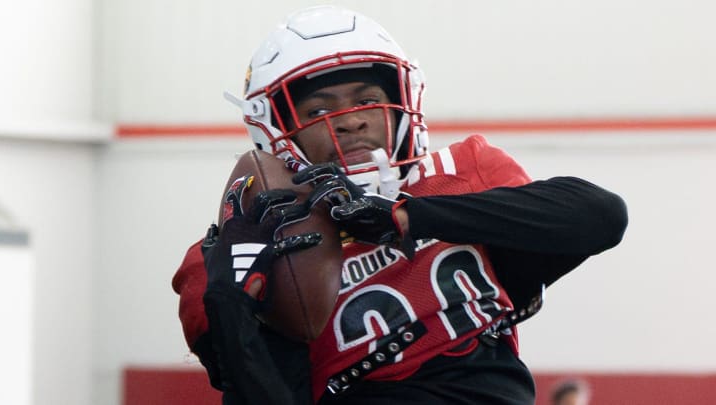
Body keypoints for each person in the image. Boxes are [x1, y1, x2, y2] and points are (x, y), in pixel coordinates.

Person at [172, 5, 628, 405]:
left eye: (368, 99)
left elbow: (601, 216)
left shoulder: (462, 170)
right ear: (275, 129)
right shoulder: (239, 244)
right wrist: (230, 304)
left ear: (399, 105)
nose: (350, 121)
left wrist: (404, 216)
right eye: (317, 111)